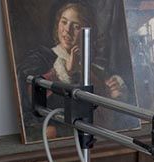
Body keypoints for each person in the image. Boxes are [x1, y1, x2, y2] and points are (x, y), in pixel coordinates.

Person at [17, 1, 131, 140]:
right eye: (63, 22)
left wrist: (113, 95)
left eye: (76, 26)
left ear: (87, 32)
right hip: (58, 140)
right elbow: (29, 96)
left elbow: (103, 119)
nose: (67, 30)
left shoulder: (96, 68)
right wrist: (64, 71)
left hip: (90, 140)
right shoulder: (40, 58)